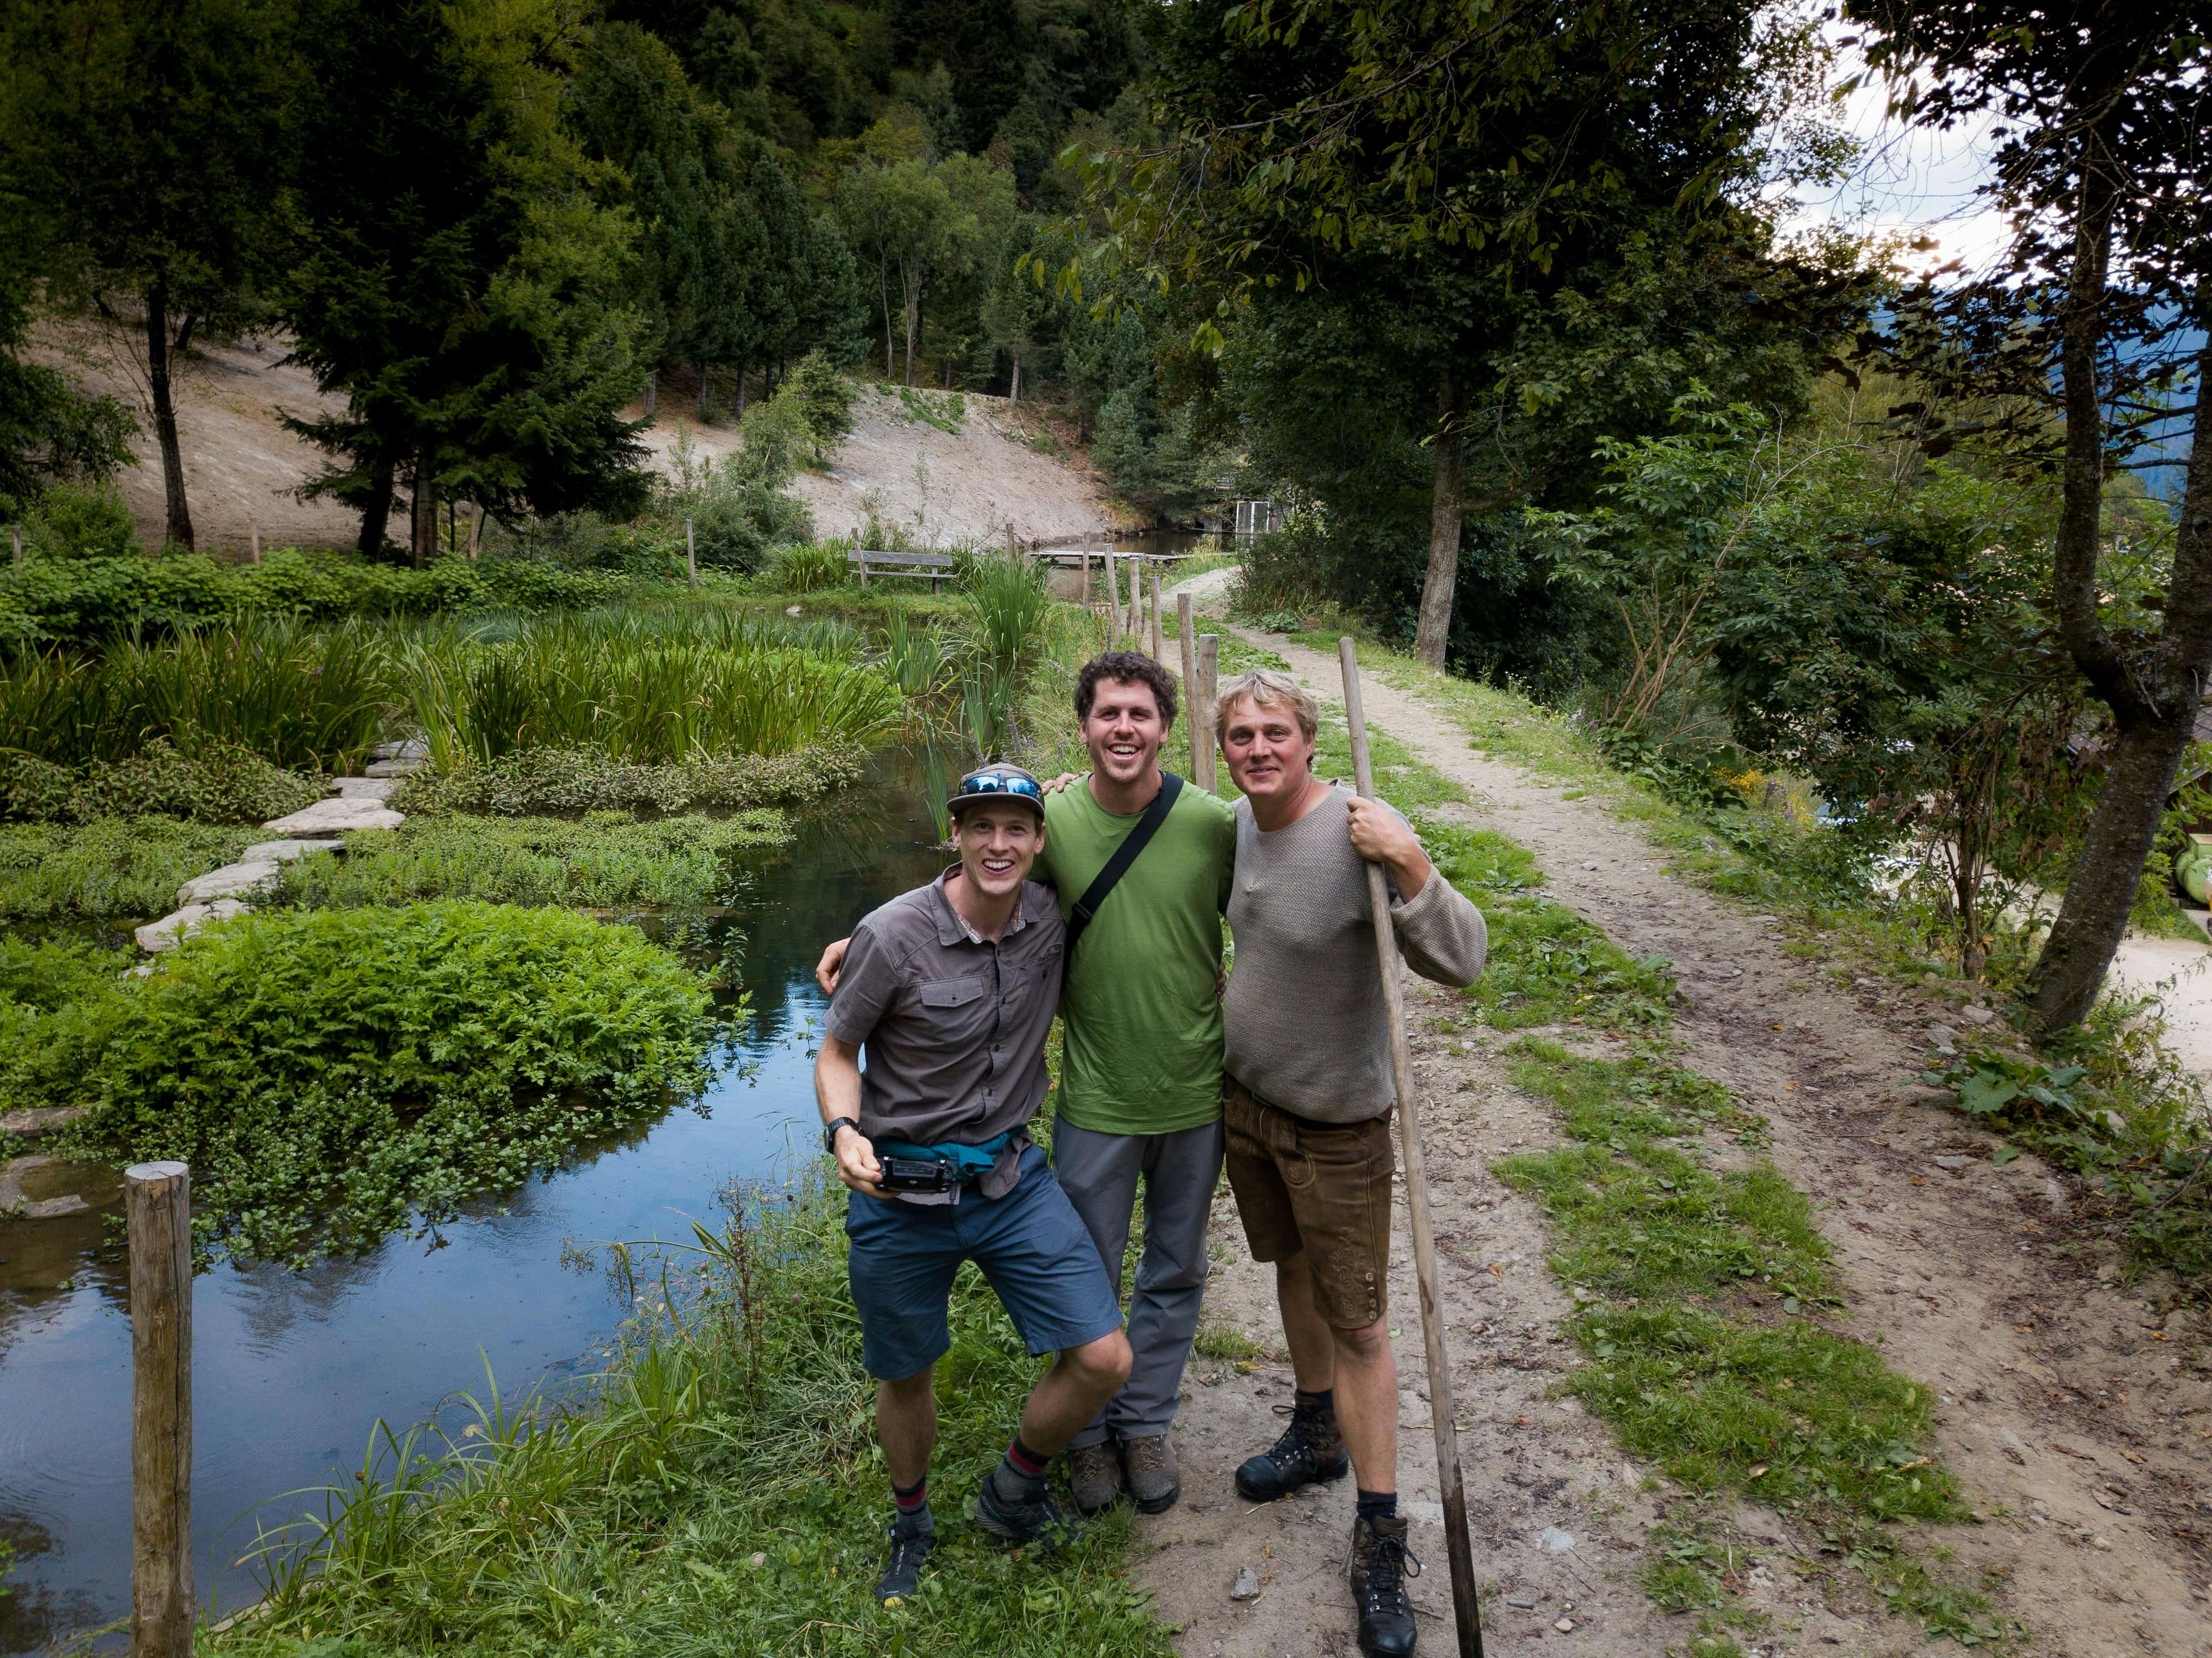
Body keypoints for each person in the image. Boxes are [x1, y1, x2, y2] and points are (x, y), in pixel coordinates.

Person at [820, 650, 1236, 1518]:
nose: (1124, 727)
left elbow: (1274, 875)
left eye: (1141, 713)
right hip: (1079, 1106)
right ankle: (1077, 1446)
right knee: (1084, 1277)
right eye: (1107, 714)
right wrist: (863, 941)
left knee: (1172, 1270)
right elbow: (961, 892)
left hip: (1179, 1098)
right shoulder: (1050, 828)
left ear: (1166, 726)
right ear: (1083, 728)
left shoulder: (1208, 824)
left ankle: (1142, 1425)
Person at [1214, 669, 1486, 1658]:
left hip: (1338, 1129)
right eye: (1240, 734)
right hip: (1250, 1108)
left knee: (1363, 1322)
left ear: (1310, 741)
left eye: (1274, 731)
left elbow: (1464, 959)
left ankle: (1379, 1535)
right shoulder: (1239, 826)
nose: (1257, 748)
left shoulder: (1363, 831)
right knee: (1290, 1272)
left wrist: (1412, 863)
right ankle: (1315, 1431)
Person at [816, 762, 1132, 1608]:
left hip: (1009, 1178)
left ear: (1038, 840)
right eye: (980, 826)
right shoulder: (890, 932)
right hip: (899, 1191)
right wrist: (844, 1132)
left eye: (1018, 828)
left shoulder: (1047, 917)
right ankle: (912, 1521)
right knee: (906, 1370)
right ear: (953, 833)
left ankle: (1013, 1492)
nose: (999, 844)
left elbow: (1111, 828)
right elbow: (838, 1051)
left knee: (1104, 1355)